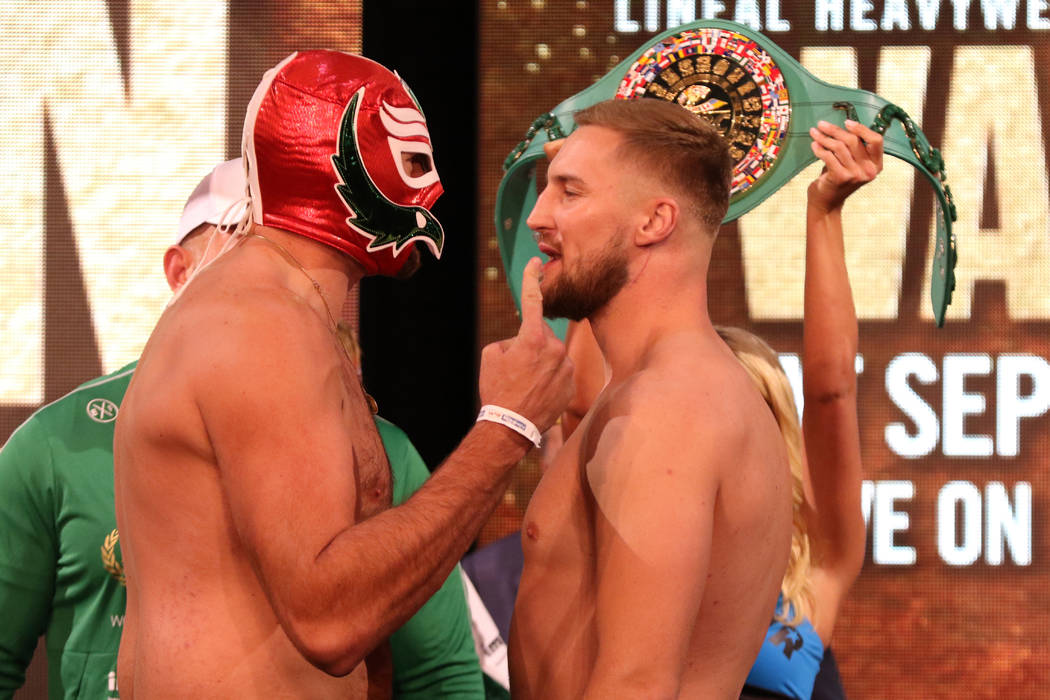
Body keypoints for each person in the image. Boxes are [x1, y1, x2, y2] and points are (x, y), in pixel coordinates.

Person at [112, 50, 571, 699]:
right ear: (334, 167)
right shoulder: (259, 328)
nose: (435, 189)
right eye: (414, 163)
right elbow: (330, 619)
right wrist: (507, 424)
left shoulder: (284, 318)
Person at [0, 158, 486, 699]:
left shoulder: (380, 454)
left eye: (293, 254)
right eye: (243, 246)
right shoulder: (52, 445)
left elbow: (438, 676)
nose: (272, 276)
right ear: (180, 272)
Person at [508, 97, 792, 699]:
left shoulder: (670, 407)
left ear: (654, 222)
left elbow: (637, 685)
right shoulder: (659, 387)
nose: (537, 216)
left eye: (570, 192)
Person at [734, 118, 878, 700]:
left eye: (751, 416)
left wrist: (825, 209)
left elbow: (831, 390)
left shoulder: (814, 570)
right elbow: (584, 404)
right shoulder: (641, 557)